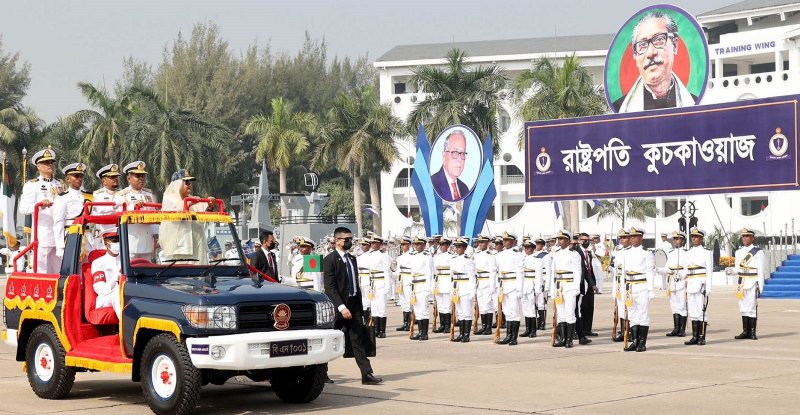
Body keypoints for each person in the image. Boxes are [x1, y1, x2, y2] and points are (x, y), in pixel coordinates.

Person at [322, 226, 382, 385]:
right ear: (337, 241)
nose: (350, 242)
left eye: (351, 239)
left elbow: (354, 283)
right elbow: (330, 287)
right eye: (347, 240)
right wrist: (341, 307)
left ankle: (366, 374)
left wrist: (359, 307)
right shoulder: (329, 260)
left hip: (354, 305)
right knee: (329, 341)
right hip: (338, 308)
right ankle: (322, 373)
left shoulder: (352, 258)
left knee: (358, 339)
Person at [613, 10, 698, 113]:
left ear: (674, 45)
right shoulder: (621, 108)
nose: (650, 53)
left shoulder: (692, 103)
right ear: (635, 56)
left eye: (658, 40)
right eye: (642, 45)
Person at [18, 148, 65, 274]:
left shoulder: (60, 184)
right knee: (42, 271)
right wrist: (39, 205)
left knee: (58, 272)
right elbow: (23, 208)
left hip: (59, 235)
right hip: (43, 235)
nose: (50, 165)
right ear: (38, 166)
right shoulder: (32, 185)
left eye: (51, 162)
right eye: (46, 163)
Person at [160, 169, 214, 264]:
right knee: (180, 277)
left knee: (200, 275)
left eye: (190, 182)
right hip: (179, 248)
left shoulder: (191, 198)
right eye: (186, 182)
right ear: (178, 184)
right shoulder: (169, 198)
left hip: (197, 245)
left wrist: (209, 206)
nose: (189, 185)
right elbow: (174, 213)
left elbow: (203, 214)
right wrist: (188, 204)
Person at [114, 161, 157, 260]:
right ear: (129, 179)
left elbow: (154, 215)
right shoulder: (121, 195)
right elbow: (117, 214)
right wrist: (133, 207)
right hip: (131, 240)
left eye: (142, 176)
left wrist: (156, 235)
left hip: (146, 240)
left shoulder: (149, 194)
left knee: (147, 269)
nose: (141, 179)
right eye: (137, 176)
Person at [622, 227, 655, 352]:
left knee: (643, 315)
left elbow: (650, 272)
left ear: (641, 237)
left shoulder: (647, 253)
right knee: (632, 315)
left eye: (635, 236)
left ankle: (642, 343)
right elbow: (623, 273)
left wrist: (651, 290)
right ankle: (635, 341)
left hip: (642, 286)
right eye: (631, 236)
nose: (632, 238)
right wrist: (622, 289)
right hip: (629, 287)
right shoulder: (626, 253)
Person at [52, 162, 93, 262]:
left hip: (88, 237)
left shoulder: (89, 196)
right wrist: (60, 247)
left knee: (88, 269)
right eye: (76, 176)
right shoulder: (62, 198)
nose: (79, 179)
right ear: (67, 179)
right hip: (71, 235)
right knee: (73, 269)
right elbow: (58, 223)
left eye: (81, 176)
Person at [550, 230, 582, 348]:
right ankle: (562, 338)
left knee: (570, 313)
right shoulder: (556, 254)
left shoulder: (574, 254)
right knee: (561, 314)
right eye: (559, 239)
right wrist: (552, 289)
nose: (560, 241)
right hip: (559, 286)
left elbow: (577, 272)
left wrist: (576, 288)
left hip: (569, 285)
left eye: (563, 239)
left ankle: (569, 339)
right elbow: (553, 273)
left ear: (569, 241)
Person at [684, 227, 713, 346]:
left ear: (701, 238)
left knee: (702, 311)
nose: (694, 238)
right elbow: (686, 270)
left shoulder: (707, 253)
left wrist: (708, 288)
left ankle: (702, 336)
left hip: (701, 284)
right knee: (693, 311)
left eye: (696, 237)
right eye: (692, 236)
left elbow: (709, 272)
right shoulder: (688, 253)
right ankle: (694, 336)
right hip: (690, 284)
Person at [733, 228, 764, 340]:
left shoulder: (757, 252)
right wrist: (731, 271)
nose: (744, 238)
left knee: (751, 307)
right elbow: (737, 268)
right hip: (741, 282)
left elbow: (760, 269)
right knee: (743, 307)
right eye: (743, 236)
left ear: (752, 237)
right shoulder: (738, 252)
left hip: (752, 281)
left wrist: (761, 286)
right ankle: (745, 331)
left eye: (747, 236)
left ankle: (752, 332)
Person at [496, 232, 524, 345]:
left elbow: (520, 273)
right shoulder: (499, 255)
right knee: (507, 312)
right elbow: (497, 272)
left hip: (513, 285)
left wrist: (519, 289)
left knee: (515, 312)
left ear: (513, 241)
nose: (505, 242)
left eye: (507, 240)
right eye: (504, 240)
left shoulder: (518, 255)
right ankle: (508, 335)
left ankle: (514, 337)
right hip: (503, 285)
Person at [91, 228, 122, 318]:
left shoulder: (126, 260)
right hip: (106, 297)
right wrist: (115, 279)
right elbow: (100, 290)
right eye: (114, 241)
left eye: (119, 240)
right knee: (118, 295)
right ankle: (126, 329)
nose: (117, 243)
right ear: (106, 244)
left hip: (125, 292)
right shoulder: (98, 263)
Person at [662, 231, 688, 337]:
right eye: (674, 239)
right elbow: (666, 268)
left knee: (682, 305)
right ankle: (676, 328)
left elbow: (688, 268)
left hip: (681, 281)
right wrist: (660, 270)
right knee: (674, 306)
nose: (675, 241)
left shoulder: (686, 253)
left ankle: (682, 329)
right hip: (672, 281)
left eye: (677, 239)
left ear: (683, 240)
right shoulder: (671, 253)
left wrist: (682, 275)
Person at [431, 130, 470, 202]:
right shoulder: (432, 184)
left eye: (463, 153)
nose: (459, 159)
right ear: (444, 156)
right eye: (454, 152)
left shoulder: (464, 189)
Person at [450, 236, 476, 343]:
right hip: (456, 287)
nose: (458, 248)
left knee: (466, 312)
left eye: (460, 246)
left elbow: (472, 277)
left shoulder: (468, 260)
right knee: (460, 312)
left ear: (465, 248)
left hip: (465, 287)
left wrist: (472, 291)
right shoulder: (453, 260)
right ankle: (461, 333)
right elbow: (451, 277)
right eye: (457, 246)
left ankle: (466, 335)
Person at [576, 232, 601, 342]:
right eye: (583, 240)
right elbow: (583, 270)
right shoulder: (576, 252)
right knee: (580, 308)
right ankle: (578, 330)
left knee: (589, 307)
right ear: (579, 240)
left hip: (589, 282)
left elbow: (589, 269)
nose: (585, 242)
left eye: (587, 240)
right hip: (581, 283)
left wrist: (593, 284)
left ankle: (587, 329)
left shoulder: (589, 252)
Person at [408, 236, 433, 340]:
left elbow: (429, 272)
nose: (417, 246)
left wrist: (428, 288)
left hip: (423, 284)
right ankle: (420, 332)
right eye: (415, 244)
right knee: (417, 310)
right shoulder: (413, 255)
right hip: (415, 284)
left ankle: (425, 333)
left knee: (423, 310)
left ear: (424, 245)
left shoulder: (427, 256)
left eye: (419, 244)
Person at [367, 236, 391, 339]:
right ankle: (375, 330)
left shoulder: (384, 255)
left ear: (380, 244)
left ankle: (382, 331)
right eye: (371, 243)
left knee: (382, 307)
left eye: (374, 243)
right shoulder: (370, 255)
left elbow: (387, 271)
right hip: (373, 283)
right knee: (374, 307)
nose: (372, 245)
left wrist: (387, 285)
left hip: (381, 282)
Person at [473, 234, 497, 335]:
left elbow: (493, 272)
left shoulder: (490, 256)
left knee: (488, 305)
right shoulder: (476, 255)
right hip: (479, 282)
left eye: (483, 242)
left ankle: (488, 327)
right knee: (482, 305)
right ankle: (483, 326)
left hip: (487, 281)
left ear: (487, 243)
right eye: (480, 242)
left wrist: (492, 285)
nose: (481, 244)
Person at [611, 229, 631, 342]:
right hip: (619, 284)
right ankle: (623, 331)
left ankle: (630, 332)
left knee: (629, 309)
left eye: (625, 238)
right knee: (621, 309)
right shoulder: (618, 252)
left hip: (627, 284)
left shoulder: (632, 252)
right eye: (621, 238)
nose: (622, 240)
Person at [432, 237, 455, 334]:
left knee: (447, 305)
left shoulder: (452, 257)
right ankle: (442, 325)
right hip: (439, 281)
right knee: (440, 305)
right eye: (440, 245)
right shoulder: (436, 257)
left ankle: (447, 326)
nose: (441, 247)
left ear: (448, 246)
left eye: (443, 245)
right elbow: (433, 271)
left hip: (447, 281)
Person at [521, 237, 542, 338]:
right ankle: (527, 329)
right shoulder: (522, 258)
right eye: (525, 247)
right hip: (524, 285)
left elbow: (539, 276)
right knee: (525, 308)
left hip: (532, 285)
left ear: (533, 248)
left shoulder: (537, 260)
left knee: (532, 309)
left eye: (528, 247)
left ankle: (533, 330)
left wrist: (537, 289)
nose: (526, 249)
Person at [393, 236, 414, 332]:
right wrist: (391, 274)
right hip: (401, 281)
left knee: (409, 302)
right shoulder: (400, 257)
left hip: (409, 280)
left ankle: (410, 323)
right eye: (401, 244)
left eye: (404, 244)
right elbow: (398, 271)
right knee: (403, 302)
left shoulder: (413, 255)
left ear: (409, 244)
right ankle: (405, 323)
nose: (402, 246)